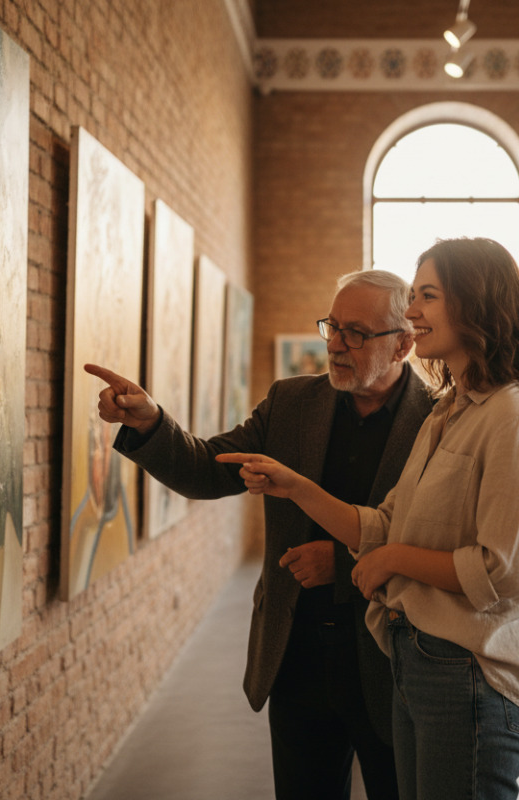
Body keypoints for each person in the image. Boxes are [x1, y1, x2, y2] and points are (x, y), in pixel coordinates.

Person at [219, 237, 519, 800]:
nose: (413, 310)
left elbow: (502, 572)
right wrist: (295, 486)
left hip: (470, 674)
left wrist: (393, 560)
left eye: (427, 295)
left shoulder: (513, 418)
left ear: (476, 303)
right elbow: (383, 523)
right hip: (418, 660)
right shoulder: (449, 413)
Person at [86, 269, 435, 800]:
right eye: (332, 327)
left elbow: (438, 540)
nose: (335, 345)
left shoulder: (437, 420)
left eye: (356, 334)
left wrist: (342, 563)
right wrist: (150, 422)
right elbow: (209, 469)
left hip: (392, 661)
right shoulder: (292, 403)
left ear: (403, 345)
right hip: (296, 652)